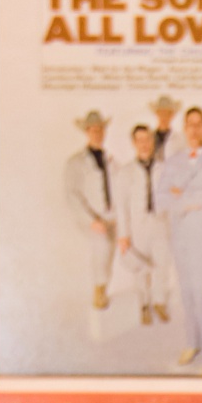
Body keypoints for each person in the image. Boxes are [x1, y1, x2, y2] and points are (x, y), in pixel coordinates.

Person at [154, 105, 202, 373]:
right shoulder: (172, 161)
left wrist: (180, 195)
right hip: (179, 234)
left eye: (199, 124)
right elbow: (161, 198)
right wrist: (190, 198)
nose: (194, 129)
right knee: (185, 291)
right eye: (190, 124)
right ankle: (191, 343)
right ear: (184, 130)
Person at [113, 121, 171, 330]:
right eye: (140, 140)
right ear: (134, 143)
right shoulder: (126, 172)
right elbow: (121, 206)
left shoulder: (164, 168)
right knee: (140, 269)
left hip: (160, 224)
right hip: (138, 226)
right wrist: (123, 234)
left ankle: (159, 302)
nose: (144, 144)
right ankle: (144, 304)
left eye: (147, 140)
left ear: (152, 142)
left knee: (161, 265)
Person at [64, 110, 117, 313]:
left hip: (111, 215)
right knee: (101, 246)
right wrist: (92, 220)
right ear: (87, 132)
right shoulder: (76, 162)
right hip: (91, 218)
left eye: (100, 130)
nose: (97, 133)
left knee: (116, 249)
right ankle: (99, 290)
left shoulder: (110, 159)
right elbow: (72, 195)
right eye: (93, 130)